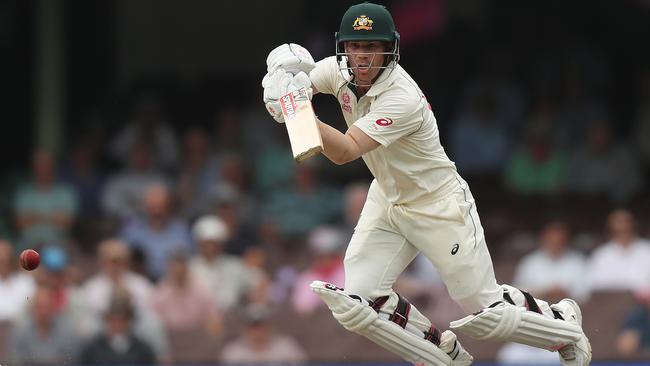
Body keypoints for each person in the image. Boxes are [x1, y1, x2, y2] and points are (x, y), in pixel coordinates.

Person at [261, 3, 590, 366]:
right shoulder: (338, 70)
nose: (363, 57)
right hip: (388, 196)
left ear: (392, 48)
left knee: (484, 312)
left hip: (438, 202)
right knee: (356, 304)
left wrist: (297, 111)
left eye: (373, 47)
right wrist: (285, 88)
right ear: (344, 47)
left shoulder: (402, 97)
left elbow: (345, 152)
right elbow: (302, 78)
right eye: (355, 46)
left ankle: (561, 322)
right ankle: (439, 347)